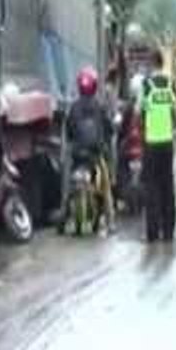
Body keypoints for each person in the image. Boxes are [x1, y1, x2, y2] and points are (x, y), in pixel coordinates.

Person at [66, 66, 115, 235]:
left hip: (78, 155)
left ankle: (64, 217)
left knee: (69, 186)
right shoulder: (100, 107)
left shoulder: (73, 108)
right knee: (106, 186)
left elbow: (69, 131)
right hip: (96, 154)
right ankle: (110, 222)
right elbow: (109, 128)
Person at [141, 51, 176, 242]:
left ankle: (153, 232)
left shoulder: (147, 85)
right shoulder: (171, 84)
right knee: (167, 186)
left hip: (152, 143)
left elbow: (142, 111)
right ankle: (169, 230)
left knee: (152, 188)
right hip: (167, 143)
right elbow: (175, 111)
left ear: (152, 63)